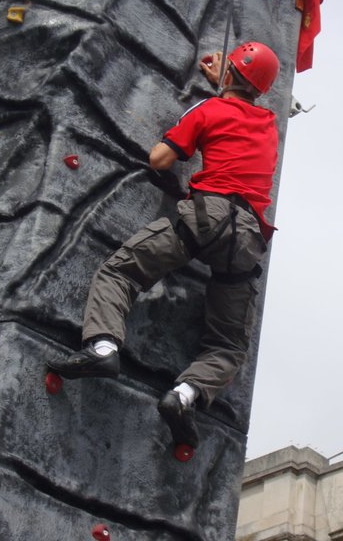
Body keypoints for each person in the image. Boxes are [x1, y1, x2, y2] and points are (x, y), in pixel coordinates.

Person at [47, 41, 281, 448]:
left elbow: (160, 159)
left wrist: (210, 100)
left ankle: (103, 347)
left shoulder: (207, 111)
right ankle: (185, 395)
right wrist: (226, 82)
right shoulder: (268, 126)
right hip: (247, 239)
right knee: (228, 345)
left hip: (206, 218)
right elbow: (239, 111)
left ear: (230, 76)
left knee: (121, 271)